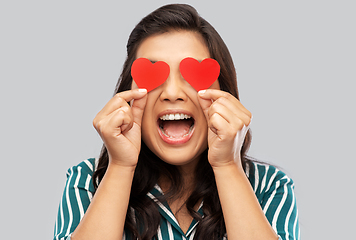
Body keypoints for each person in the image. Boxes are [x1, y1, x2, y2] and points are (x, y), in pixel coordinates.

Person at [54, 4, 299, 240]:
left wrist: (226, 165)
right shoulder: (88, 180)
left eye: (191, 76)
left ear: (224, 94)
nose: (172, 93)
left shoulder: (269, 186)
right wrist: (120, 166)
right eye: (153, 74)